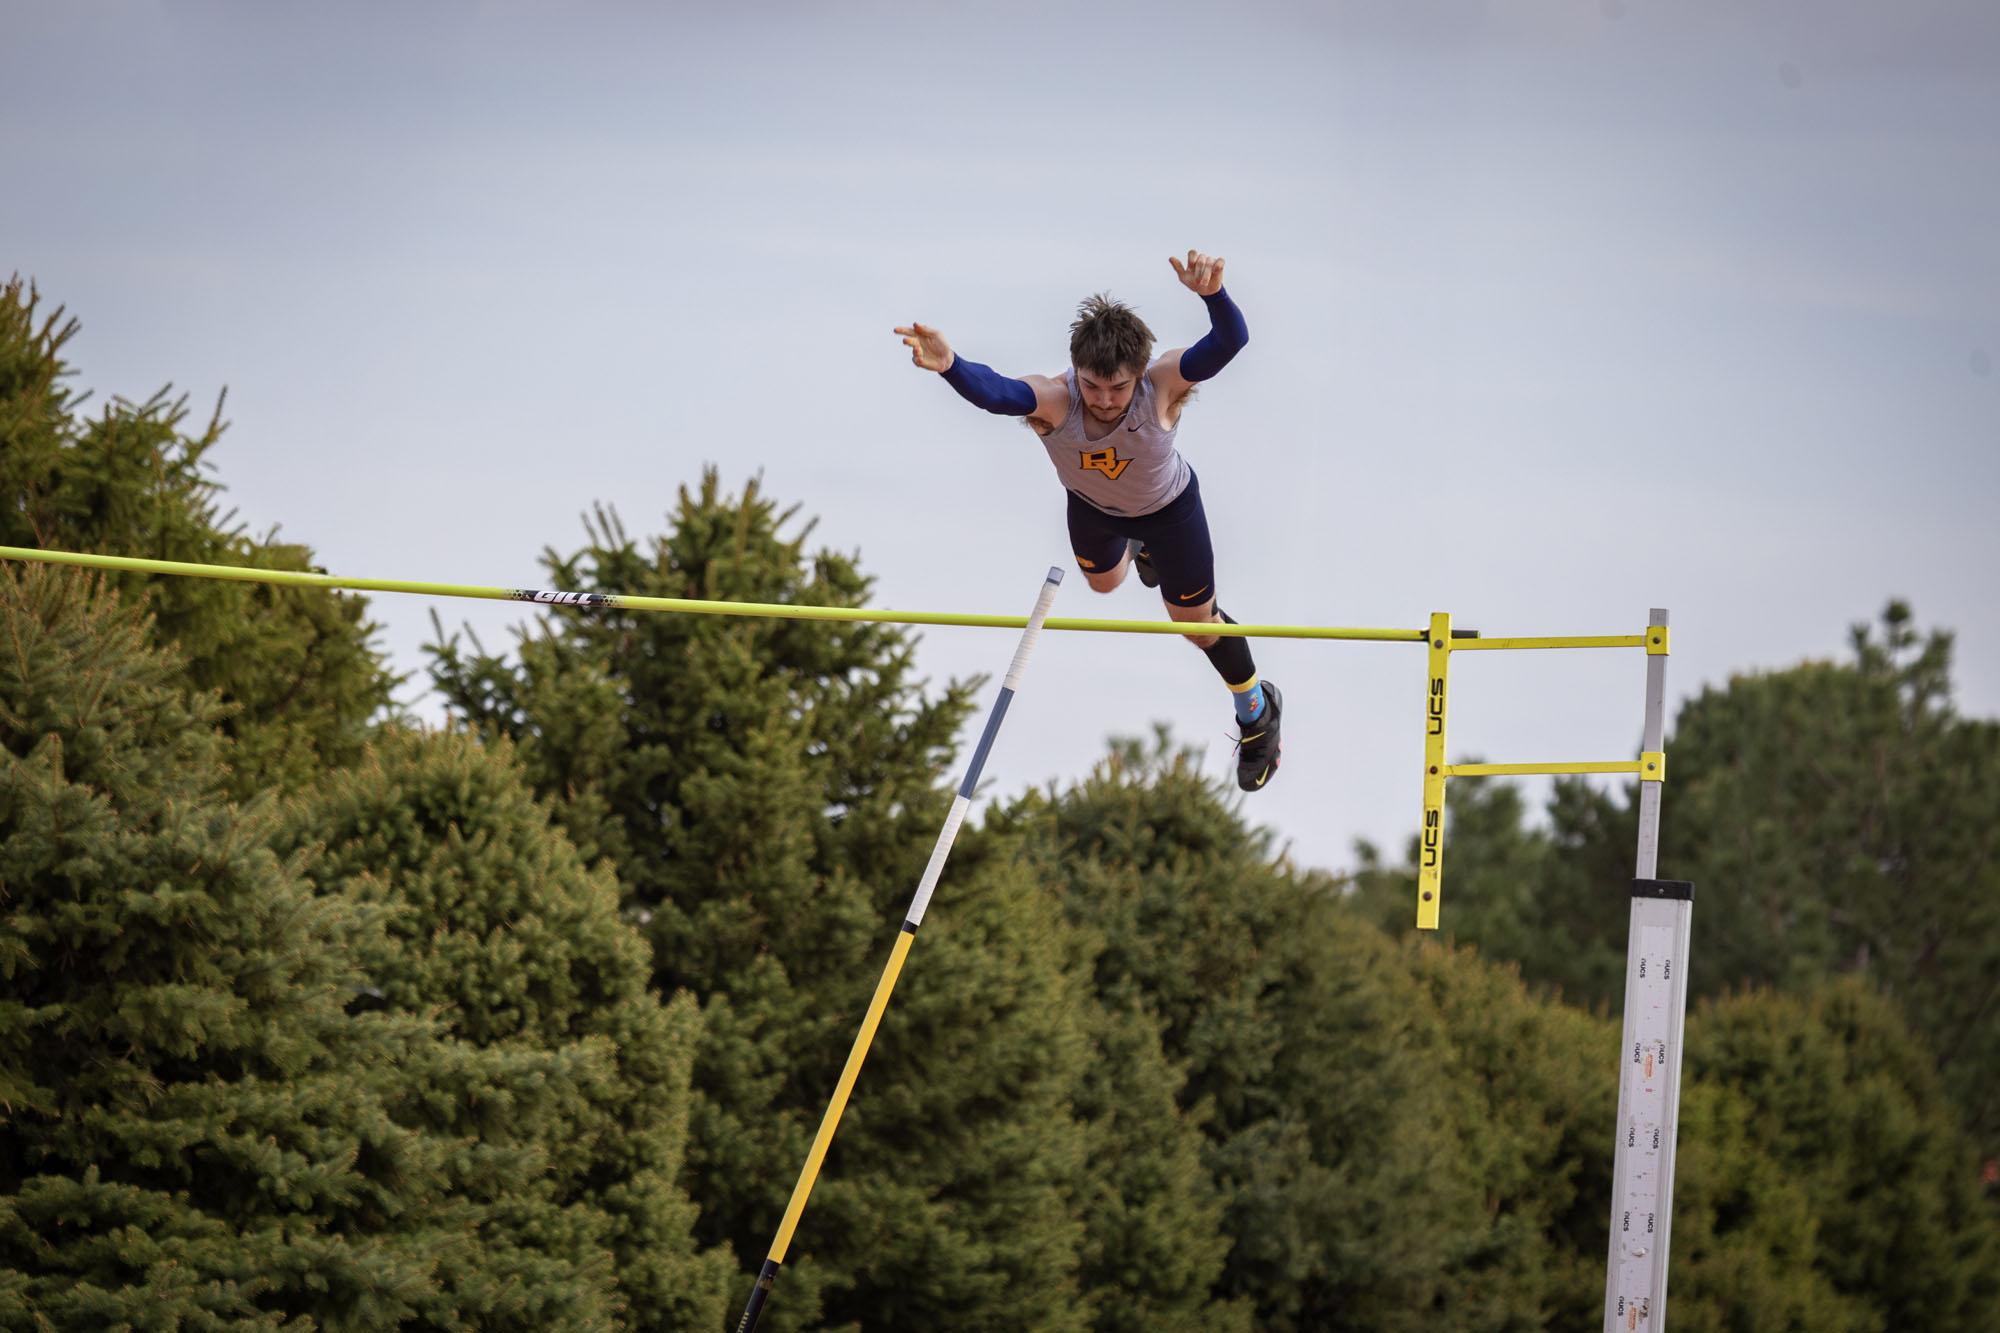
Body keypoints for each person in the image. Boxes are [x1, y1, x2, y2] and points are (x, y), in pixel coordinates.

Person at [894, 250, 1281, 790]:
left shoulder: (1163, 383)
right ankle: (1137, 551)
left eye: (1117, 388)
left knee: (1194, 626)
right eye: (1092, 386)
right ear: (1076, 370)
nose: (1102, 400)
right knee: (1103, 585)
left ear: (1139, 374)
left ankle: (1257, 713)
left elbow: (1229, 343)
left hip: (1170, 511)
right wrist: (951, 365)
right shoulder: (1056, 399)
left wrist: (1213, 295)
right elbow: (999, 393)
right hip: (1095, 509)